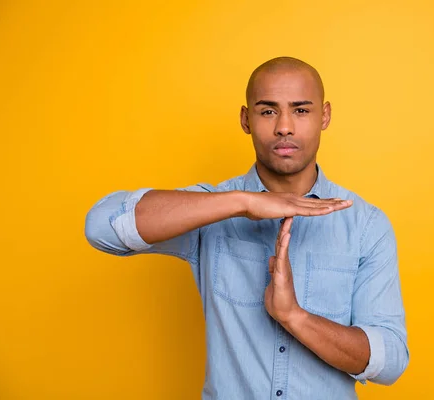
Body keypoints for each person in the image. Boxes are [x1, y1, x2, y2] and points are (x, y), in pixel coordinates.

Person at [85, 56, 409, 399]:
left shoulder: (365, 225)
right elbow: (102, 226)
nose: (284, 126)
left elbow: (391, 361)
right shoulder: (211, 211)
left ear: (324, 115)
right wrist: (242, 202)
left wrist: (295, 317)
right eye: (268, 111)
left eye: (301, 110)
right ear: (245, 119)